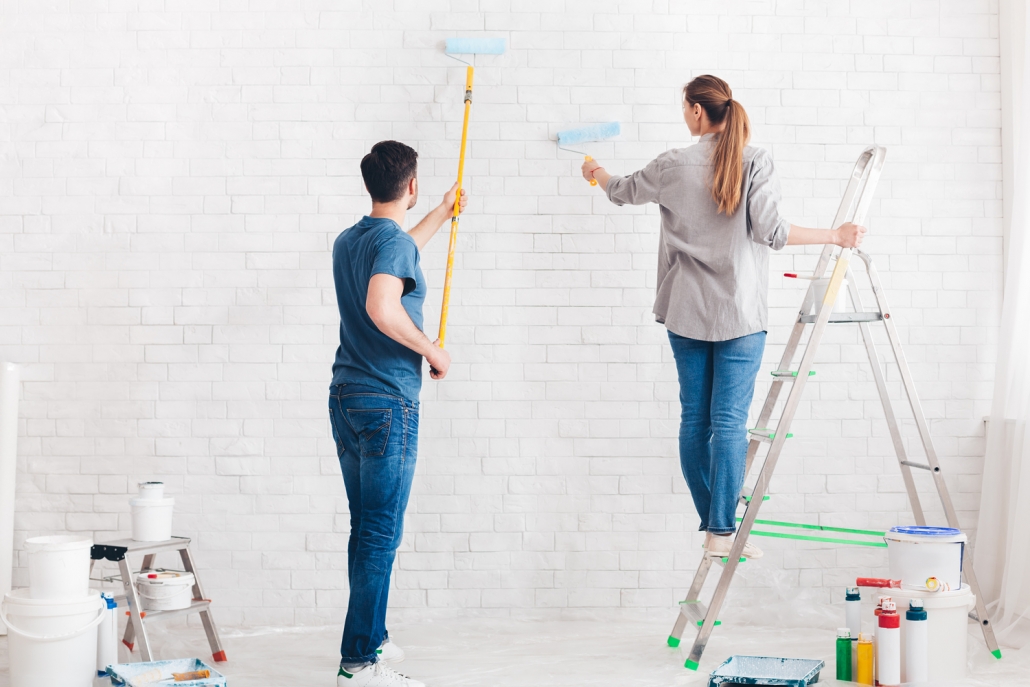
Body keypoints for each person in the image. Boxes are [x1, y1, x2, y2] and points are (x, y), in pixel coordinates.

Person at [581, 75, 866, 560]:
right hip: (740, 312)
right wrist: (835, 236)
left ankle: (714, 527)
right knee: (729, 422)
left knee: (696, 421)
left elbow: (622, 191)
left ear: (696, 111)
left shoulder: (672, 164)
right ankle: (721, 530)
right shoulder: (754, 160)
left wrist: (595, 170)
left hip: (685, 310)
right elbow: (774, 233)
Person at [329, 140, 465, 687]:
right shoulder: (393, 247)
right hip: (388, 400)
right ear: (410, 185)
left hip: (346, 397)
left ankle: (372, 638)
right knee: (381, 532)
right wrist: (432, 350)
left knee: (367, 529)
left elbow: (397, 251)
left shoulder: (350, 240)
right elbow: (383, 306)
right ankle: (358, 662)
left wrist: (441, 211)